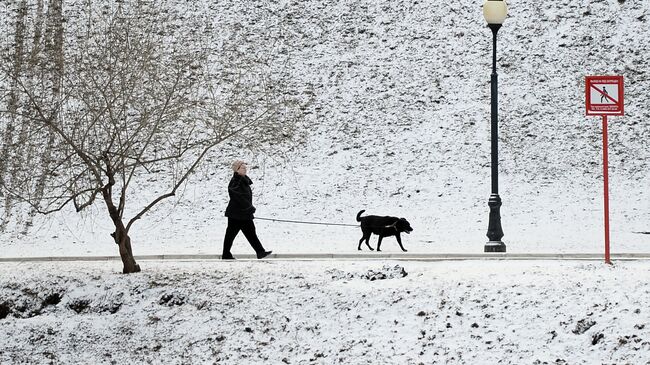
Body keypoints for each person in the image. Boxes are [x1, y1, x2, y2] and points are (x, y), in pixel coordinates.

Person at [222, 160, 272, 260]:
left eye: (245, 167)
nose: (245, 169)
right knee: (231, 235)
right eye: (243, 168)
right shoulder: (236, 181)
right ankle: (226, 254)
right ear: (237, 170)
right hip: (236, 214)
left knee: (251, 233)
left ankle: (260, 252)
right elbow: (238, 196)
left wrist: (248, 208)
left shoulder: (243, 180)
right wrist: (249, 207)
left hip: (244, 213)